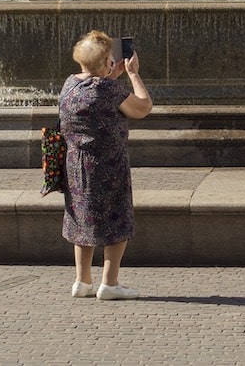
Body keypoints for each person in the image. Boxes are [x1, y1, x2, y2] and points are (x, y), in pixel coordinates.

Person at [59, 29, 154, 300]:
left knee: (82, 218)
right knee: (116, 219)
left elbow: (95, 89)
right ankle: (110, 284)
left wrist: (111, 75)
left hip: (76, 163)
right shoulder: (109, 90)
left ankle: (82, 281)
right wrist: (134, 74)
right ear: (105, 63)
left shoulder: (70, 84)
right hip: (107, 164)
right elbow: (143, 107)